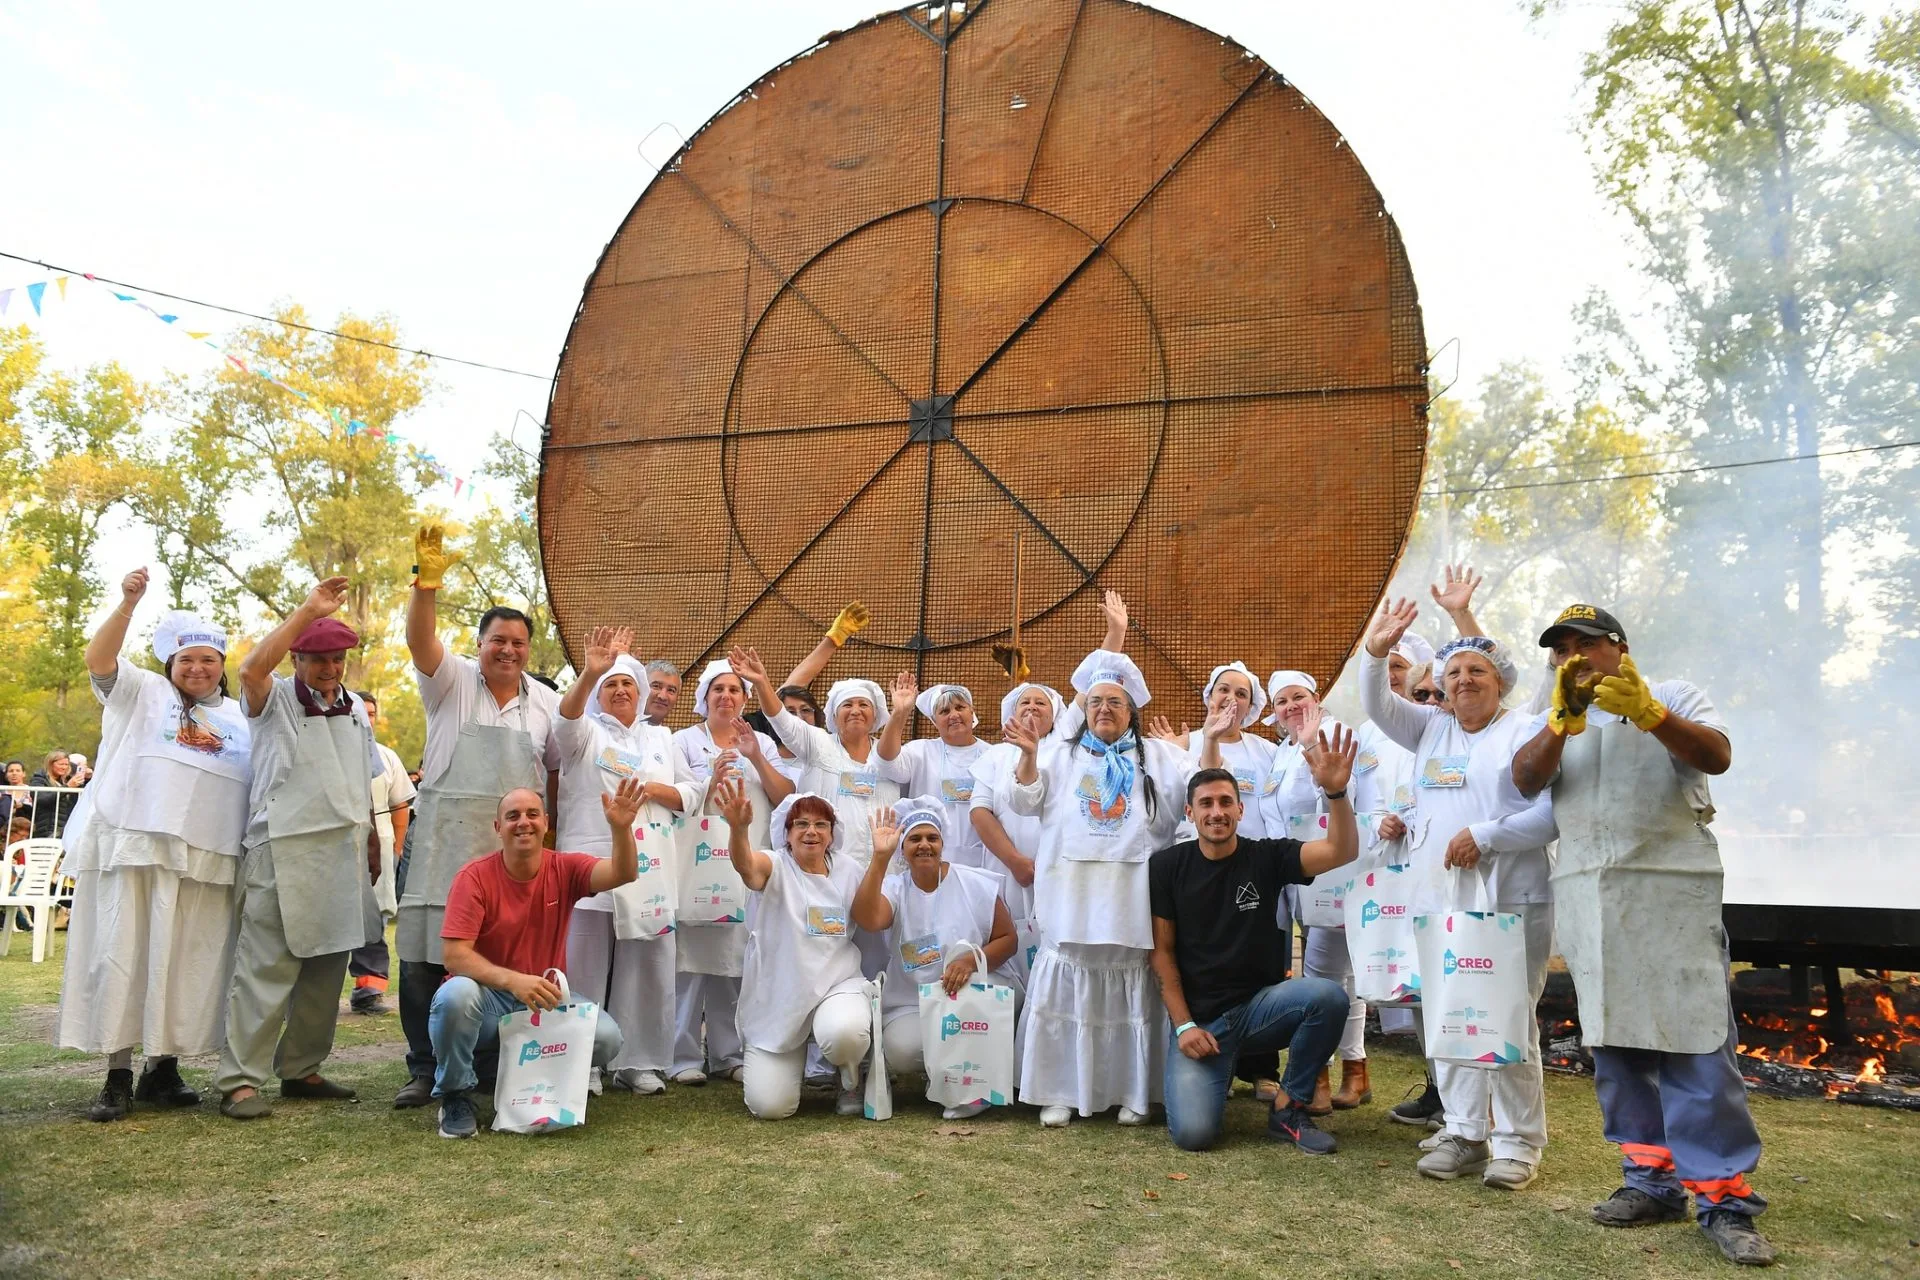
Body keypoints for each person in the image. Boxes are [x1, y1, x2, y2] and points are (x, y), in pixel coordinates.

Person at [1509, 605, 1774, 1267]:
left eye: (1585, 644)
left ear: (1618, 648)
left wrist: (1651, 713)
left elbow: (1717, 755)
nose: (1573, 657)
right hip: (1592, 902)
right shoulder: (1555, 723)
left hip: (1672, 897)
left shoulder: (1676, 693)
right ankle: (1649, 1180)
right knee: (1618, 1047)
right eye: (1560, 650)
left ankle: (1723, 1198)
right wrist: (1561, 723)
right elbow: (1524, 780)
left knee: (1694, 1042)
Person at [1006, 607, 1228, 1127]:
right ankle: (1058, 1090)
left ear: (1132, 712)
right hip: (1072, 896)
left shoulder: (1157, 758)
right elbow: (1023, 801)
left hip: (1131, 899)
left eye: (1117, 703)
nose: (1105, 709)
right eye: (1097, 701)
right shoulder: (1060, 753)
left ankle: (1132, 1092)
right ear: (1085, 709)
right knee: (1069, 984)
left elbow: (1200, 794)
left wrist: (1212, 736)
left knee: (1130, 987)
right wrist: (1027, 757)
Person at [1361, 601, 1556, 1190]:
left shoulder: (1525, 730)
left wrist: (1487, 837)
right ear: (1440, 687)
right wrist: (1376, 652)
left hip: (1511, 895)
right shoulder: (1430, 728)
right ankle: (1465, 1131)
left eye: (1478, 671)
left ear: (1501, 681)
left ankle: (1517, 1144)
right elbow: (1375, 702)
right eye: (1453, 674)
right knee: (1450, 1011)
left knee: (1510, 1017)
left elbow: (1552, 814)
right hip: (1440, 896)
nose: (1465, 680)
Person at [56, 568, 251, 1122]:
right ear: (170, 663)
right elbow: (99, 661)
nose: (197, 668)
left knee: (187, 961)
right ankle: (117, 1074)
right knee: (124, 956)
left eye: (208, 660)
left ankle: (161, 1069)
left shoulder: (239, 719)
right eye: (186, 659)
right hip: (135, 848)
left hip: (206, 862)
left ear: (221, 667)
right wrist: (126, 604)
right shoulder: (141, 691)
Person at [394, 525, 564, 1109]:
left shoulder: (543, 701)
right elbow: (420, 643)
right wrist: (428, 585)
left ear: (527, 649)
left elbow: (557, 772)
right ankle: (423, 1067)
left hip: (510, 852)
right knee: (421, 960)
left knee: (500, 958)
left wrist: (548, 839)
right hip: (442, 842)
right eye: (498, 640)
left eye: (518, 643)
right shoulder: (451, 681)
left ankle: (486, 1064)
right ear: (480, 643)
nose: (508, 651)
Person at [214, 578, 380, 1120]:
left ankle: (302, 1069)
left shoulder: (357, 710)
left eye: (337, 660)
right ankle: (240, 1081)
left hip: (342, 855)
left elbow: (364, 783)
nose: (330, 669)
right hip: (279, 850)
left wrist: (374, 839)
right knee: (265, 969)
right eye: (318, 659)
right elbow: (249, 669)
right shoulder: (274, 698)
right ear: (298, 657)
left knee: (327, 968)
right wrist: (307, 609)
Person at [1150, 738, 1361, 1153]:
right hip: (1204, 1025)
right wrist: (1185, 1027)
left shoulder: (1267, 857)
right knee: (1195, 1136)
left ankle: (1288, 1108)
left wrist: (1336, 793)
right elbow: (1161, 952)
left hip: (1262, 1009)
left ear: (1240, 810)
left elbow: (1342, 850)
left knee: (1328, 997)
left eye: (1226, 802)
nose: (1217, 812)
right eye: (1206, 804)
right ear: (1189, 813)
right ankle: (1218, 1073)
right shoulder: (1167, 866)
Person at [427, 779, 641, 1138]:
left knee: (607, 1039)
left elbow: (624, 872)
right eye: (512, 816)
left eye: (532, 814)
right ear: (498, 828)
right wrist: (514, 980)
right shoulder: (473, 878)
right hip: (488, 998)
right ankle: (455, 1094)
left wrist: (621, 829)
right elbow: (454, 956)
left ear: (546, 823)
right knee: (455, 997)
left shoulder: (566, 868)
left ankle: (521, 1078)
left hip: (544, 999)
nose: (523, 822)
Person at [556, 627, 703, 1097]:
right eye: (611, 685)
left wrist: (652, 790)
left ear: (641, 695)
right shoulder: (587, 732)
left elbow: (693, 792)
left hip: (653, 867)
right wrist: (591, 672)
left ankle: (639, 1062)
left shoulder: (662, 738)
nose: (620, 691)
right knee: (585, 966)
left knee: (648, 965)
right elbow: (565, 722)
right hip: (591, 861)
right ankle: (586, 1061)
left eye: (628, 685)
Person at [850, 796, 1020, 1119]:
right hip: (912, 1002)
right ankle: (945, 1071)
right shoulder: (895, 888)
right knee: (901, 1049)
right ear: (903, 847)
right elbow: (867, 918)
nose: (924, 845)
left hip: (970, 993)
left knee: (992, 1006)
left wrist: (970, 961)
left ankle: (973, 1084)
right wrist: (880, 859)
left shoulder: (975, 883)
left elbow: (1008, 940)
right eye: (914, 838)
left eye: (932, 838)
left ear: (943, 843)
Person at [670, 658, 795, 1085]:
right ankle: (682, 1055)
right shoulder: (683, 741)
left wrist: (757, 757)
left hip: (746, 863)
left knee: (733, 960)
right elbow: (680, 798)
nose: (726, 696)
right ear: (703, 699)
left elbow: (785, 797)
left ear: (745, 700)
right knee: (690, 962)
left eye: (735, 690)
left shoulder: (760, 740)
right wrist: (712, 774)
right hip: (697, 864)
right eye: (717, 689)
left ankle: (728, 1054)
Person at [724, 780, 871, 1120]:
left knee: (844, 1033)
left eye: (821, 824)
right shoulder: (774, 865)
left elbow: (870, 916)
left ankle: (850, 1077)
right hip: (780, 995)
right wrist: (738, 829)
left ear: (832, 834)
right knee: (771, 1107)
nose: (812, 832)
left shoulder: (849, 869)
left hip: (837, 984)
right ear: (786, 834)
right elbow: (746, 867)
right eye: (801, 824)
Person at [347, 690, 416, 1016]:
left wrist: (398, 847)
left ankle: (368, 988)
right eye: (363, 712)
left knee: (374, 916)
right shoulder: (331, 749)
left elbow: (400, 803)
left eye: (372, 713)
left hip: (381, 848)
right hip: (337, 848)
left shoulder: (387, 757)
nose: (367, 719)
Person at [878, 675, 990, 873]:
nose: (953, 715)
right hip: (927, 861)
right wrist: (900, 712)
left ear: (972, 711)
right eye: (944, 711)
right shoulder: (921, 751)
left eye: (960, 707)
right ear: (934, 721)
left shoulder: (993, 755)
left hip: (982, 862)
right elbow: (887, 761)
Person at [30, 750, 82, 840]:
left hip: (64, 828)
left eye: (66, 764)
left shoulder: (65, 781)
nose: (64, 767)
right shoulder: (39, 779)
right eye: (61, 764)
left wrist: (87, 778)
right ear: (50, 764)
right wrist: (67, 787)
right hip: (47, 827)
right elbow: (42, 798)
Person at [642, 661, 682, 727]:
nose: (662, 696)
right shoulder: (621, 732)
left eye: (671, 690)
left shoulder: (668, 736)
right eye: (656, 686)